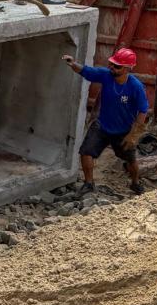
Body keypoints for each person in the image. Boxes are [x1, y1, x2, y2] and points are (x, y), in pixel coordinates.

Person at [63, 47, 149, 195]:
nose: (112, 68)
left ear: (127, 68)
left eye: (117, 66)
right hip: (102, 125)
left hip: (123, 131)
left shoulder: (136, 87)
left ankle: (135, 182)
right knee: (86, 152)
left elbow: (143, 111)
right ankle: (88, 183)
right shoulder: (106, 75)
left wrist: (134, 135)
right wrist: (73, 64)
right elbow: (87, 71)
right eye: (111, 64)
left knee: (130, 160)